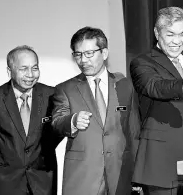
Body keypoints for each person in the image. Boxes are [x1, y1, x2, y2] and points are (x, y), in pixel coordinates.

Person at [130, 6, 183, 195]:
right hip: (162, 165)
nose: (177, 41)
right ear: (156, 33)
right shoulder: (142, 62)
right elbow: (155, 87)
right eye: (170, 34)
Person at [51, 26, 140, 195]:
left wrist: (138, 173)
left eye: (89, 53)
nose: (83, 60)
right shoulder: (65, 89)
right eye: (78, 54)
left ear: (104, 53)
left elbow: (134, 131)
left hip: (121, 173)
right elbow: (56, 122)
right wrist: (72, 121)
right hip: (83, 177)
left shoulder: (125, 85)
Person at [0, 45, 61, 195]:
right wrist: (10, 157)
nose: (30, 74)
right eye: (23, 69)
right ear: (9, 71)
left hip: (43, 180)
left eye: (35, 68)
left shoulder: (52, 95)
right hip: (7, 181)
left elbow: (57, 132)